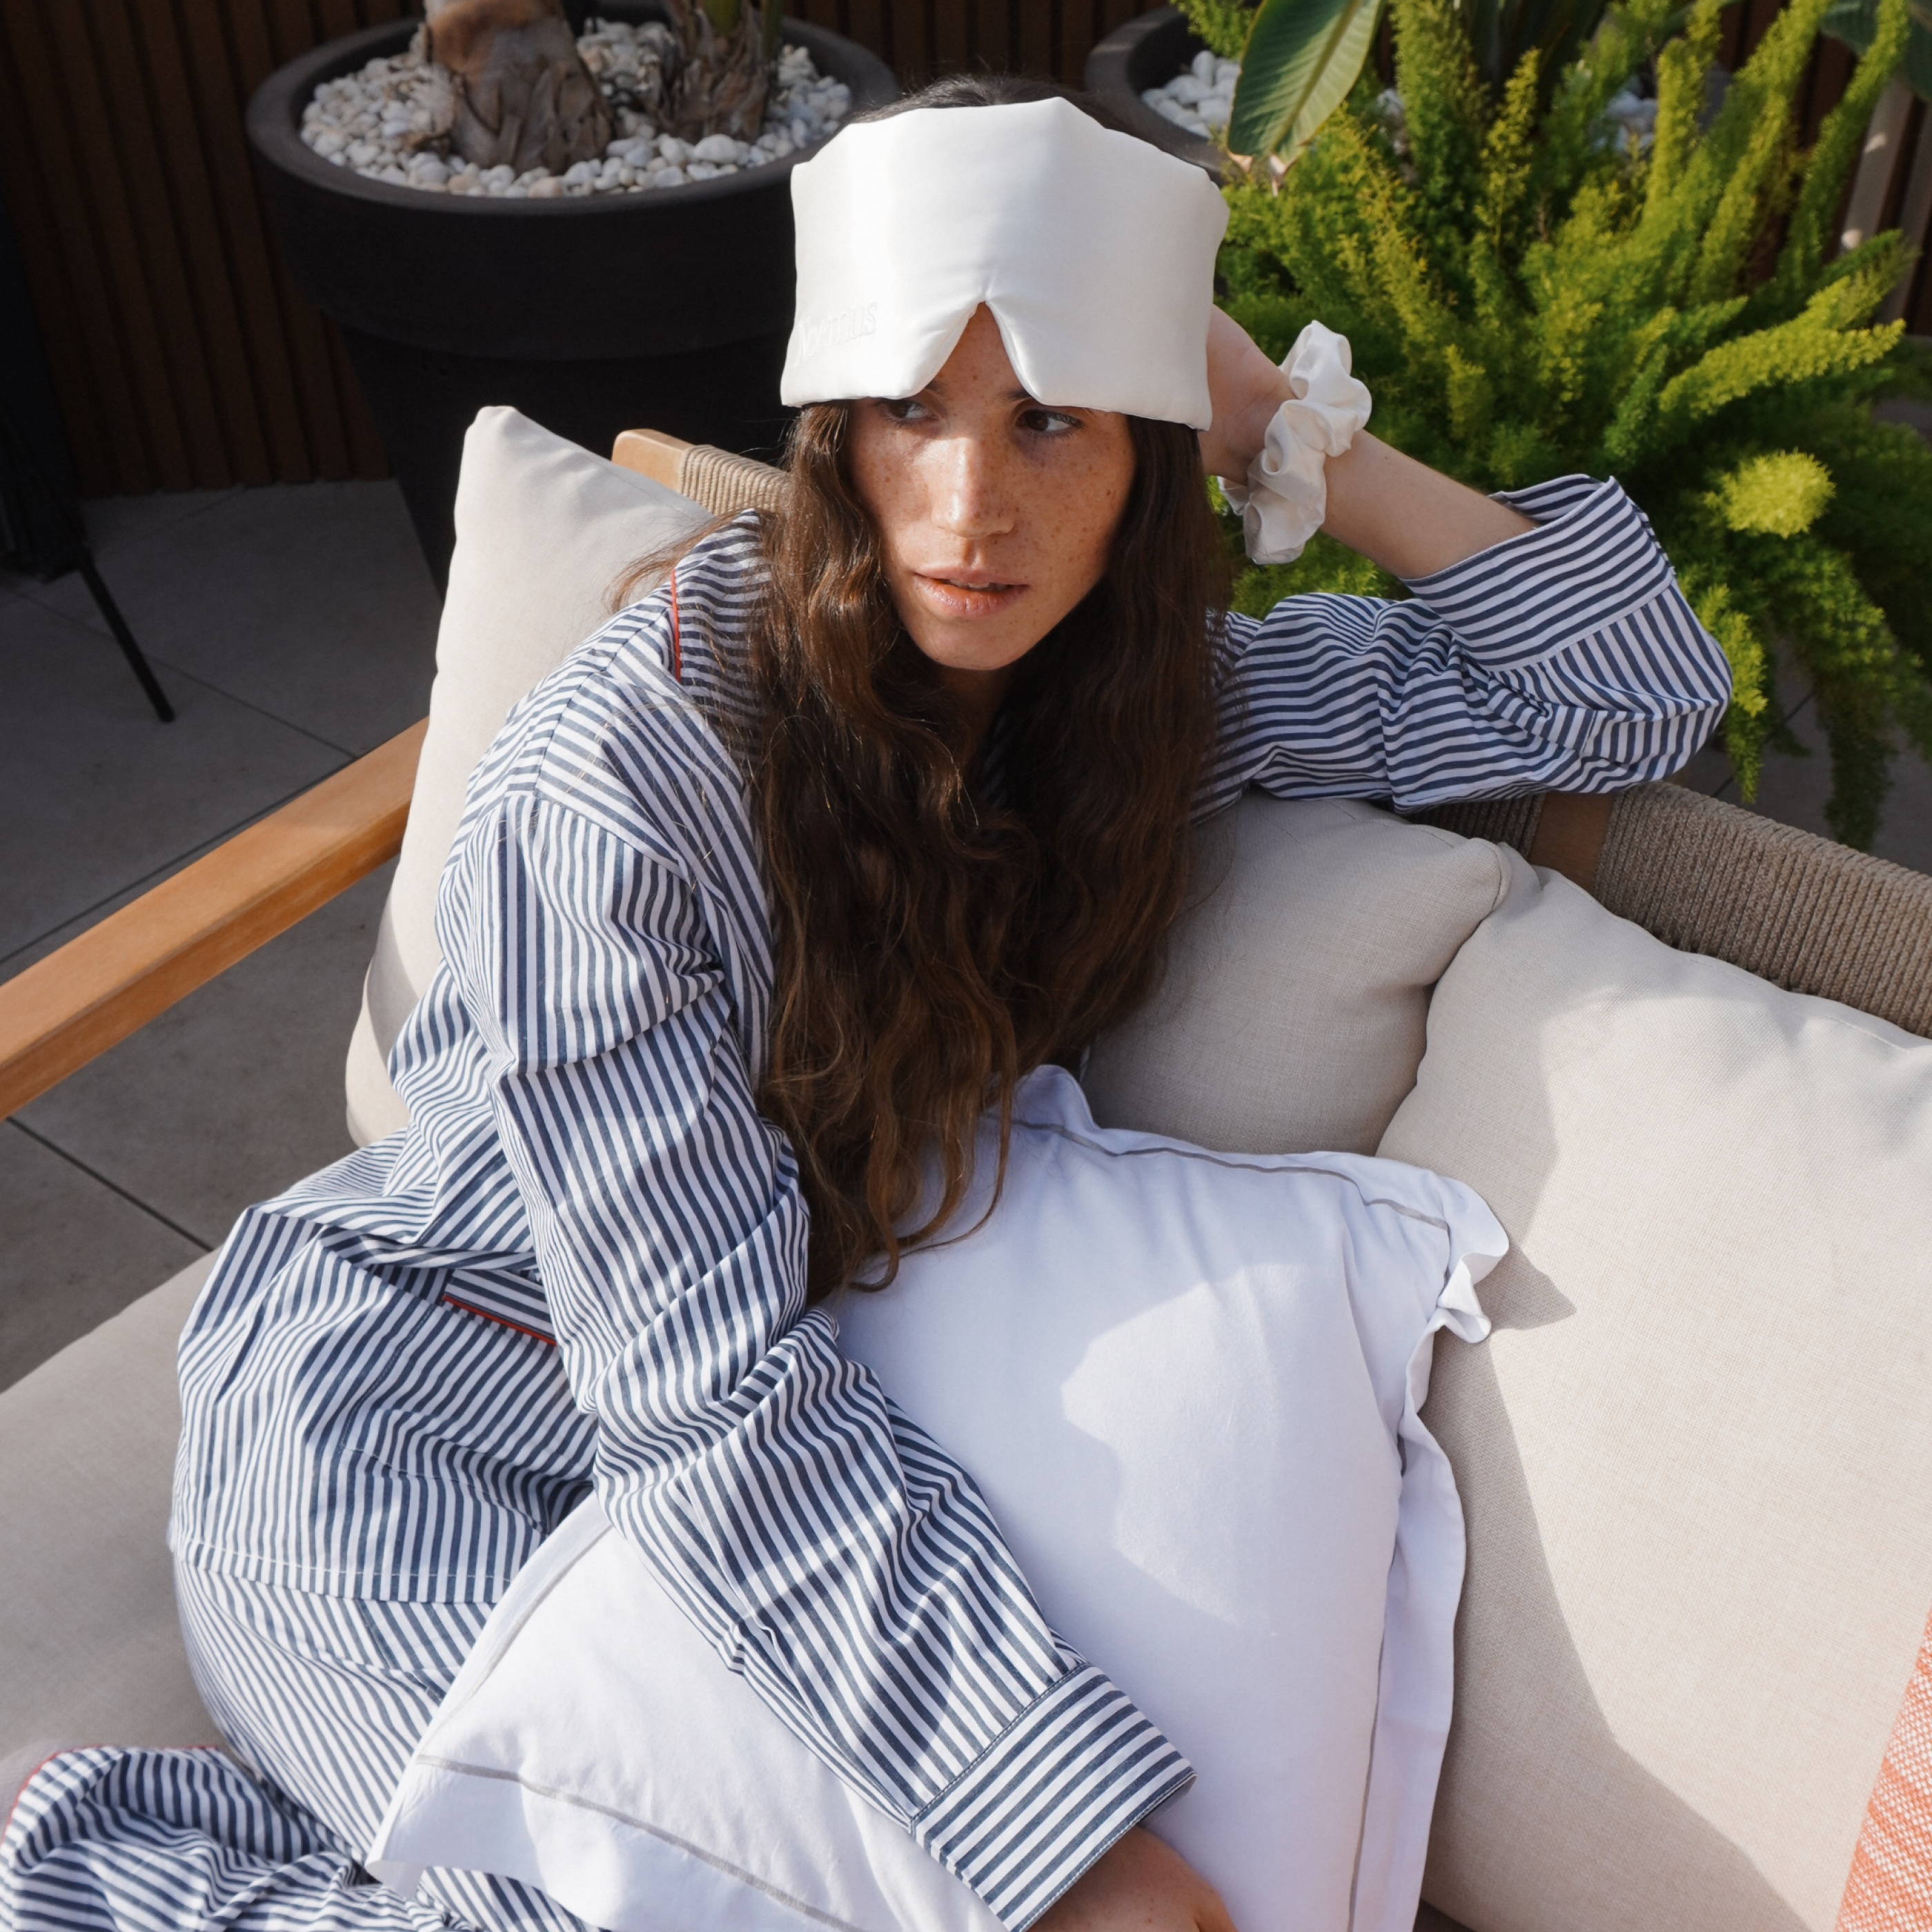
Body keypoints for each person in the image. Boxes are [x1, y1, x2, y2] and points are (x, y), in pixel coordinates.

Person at [1, 75, 1731, 1932]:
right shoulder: (625, 793)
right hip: (404, 1435)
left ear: (1142, 454)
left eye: (1053, 417)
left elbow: (1627, 685)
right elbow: (709, 1399)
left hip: (740, 1489)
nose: (974, 509)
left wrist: (1274, 416)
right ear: (832, 425)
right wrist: (1083, 1856)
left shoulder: (1134, 721)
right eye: (912, 408)